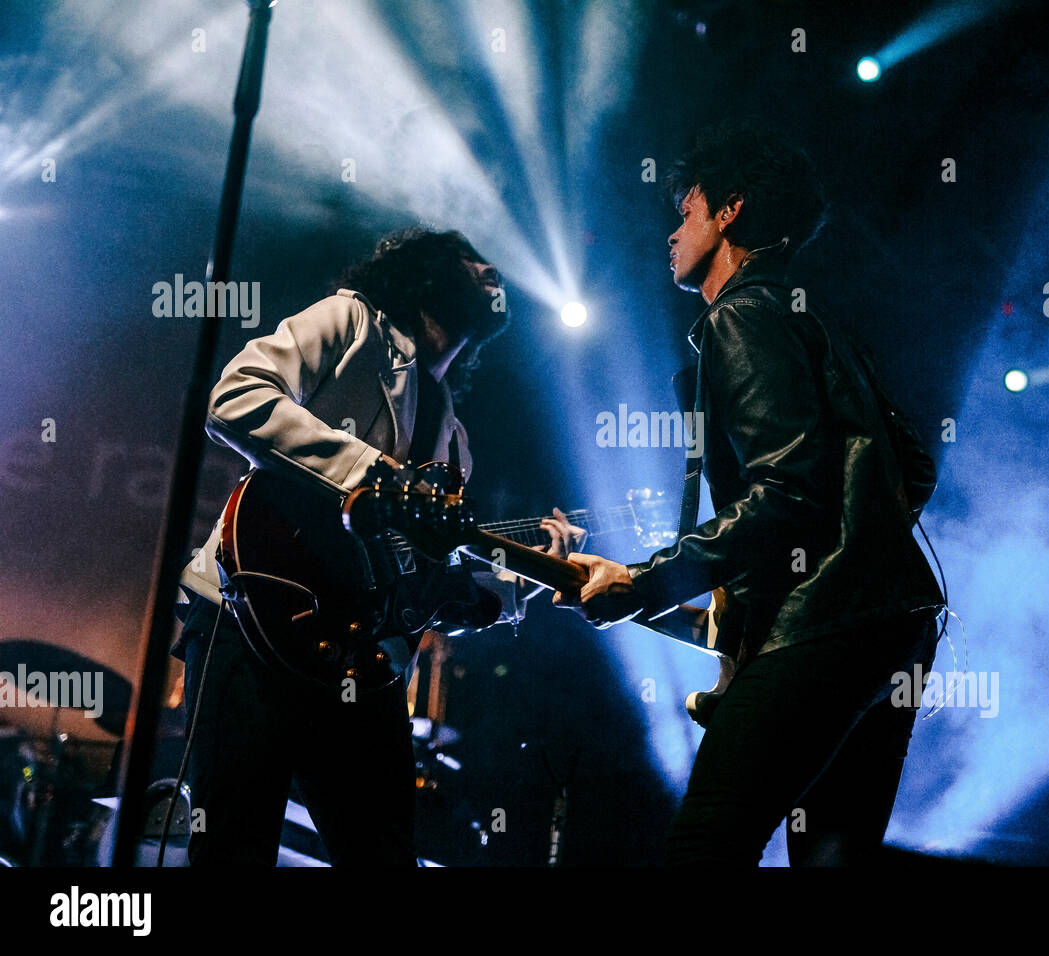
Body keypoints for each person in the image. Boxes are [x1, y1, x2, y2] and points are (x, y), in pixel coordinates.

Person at [556, 122, 947, 865]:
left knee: (707, 843)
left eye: (687, 211)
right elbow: (914, 466)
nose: (674, 233)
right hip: (895, 625)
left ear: (730, 210)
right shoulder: (816, 319)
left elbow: (787, 490)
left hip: (823, 625)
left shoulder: (740, 314)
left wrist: (644, 579)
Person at [171, 227, 585, 865]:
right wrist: (377, 475)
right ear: (426, 272)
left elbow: (425, 586)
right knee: (232, 847)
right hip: (247, 613)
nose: (493, 269)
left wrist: (528, 569)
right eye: (472, 259)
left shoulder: (454, 444)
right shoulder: (351, 321)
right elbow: (236, 397)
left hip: (358, 660)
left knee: (383, 854)